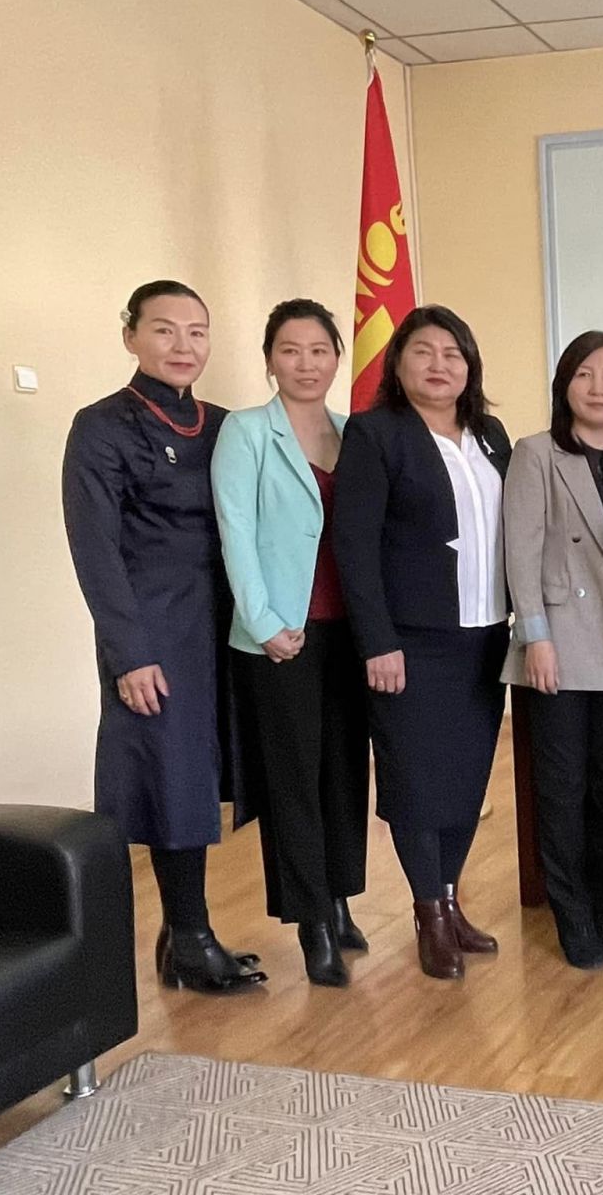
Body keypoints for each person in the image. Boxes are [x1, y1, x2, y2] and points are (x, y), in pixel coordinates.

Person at [62, 279, 266, 993]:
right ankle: (191, 938)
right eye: (164, 330)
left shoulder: (223, 425)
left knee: (206, 779)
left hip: (223, 625)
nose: (183, 345)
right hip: (153, 631)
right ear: (131, 336)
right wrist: (129, 654)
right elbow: (95, 549)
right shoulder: (101, 426)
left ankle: (182, 934)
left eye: (197, 332)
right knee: (171, 778)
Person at [333, 305, 512, 981]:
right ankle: (428, 912)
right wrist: (376, 640)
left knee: (467, 778)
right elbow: (354, 545)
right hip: (409, 642)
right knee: (414, 779)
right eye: (423, 352)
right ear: (398, 363)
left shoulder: (490, 435)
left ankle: (451, 899)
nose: (439, 365)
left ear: (470, 367)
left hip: (485, 633)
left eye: (452, 354)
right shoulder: (376, 434)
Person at [211, 298, 369, 988]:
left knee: (344, 771)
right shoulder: (246, 431)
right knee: (294, 780)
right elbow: (235, 532)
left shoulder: (354, 432)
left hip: (349, 632)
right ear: (270, 359)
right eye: (290, 350)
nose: (306, 363)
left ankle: (339, 899)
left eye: (319, 350)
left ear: (337, 357)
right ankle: (312, 924)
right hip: (282, 637)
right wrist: (264, 621)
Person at [502, 330, 603, 969]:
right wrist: (534, 636)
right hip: (562, 648)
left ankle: (602, 903)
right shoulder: (536, 454)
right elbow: (521, 551)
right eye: (585, 374)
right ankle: (572, 916)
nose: (599, 387)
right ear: (564, 385)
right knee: (562, 788)